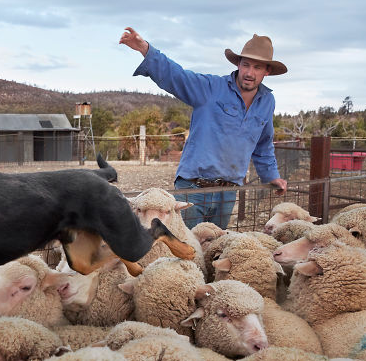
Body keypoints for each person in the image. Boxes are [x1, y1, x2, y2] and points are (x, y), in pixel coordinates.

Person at [119, 27, 288, 230]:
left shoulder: (267, 101)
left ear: (267, 71)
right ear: (238, 64)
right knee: (185, 248)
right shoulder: (210, 88)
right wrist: (145, 49)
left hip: (228, 191)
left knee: (213, 249)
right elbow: (177, 76)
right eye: (246, 65)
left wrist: (272, 176)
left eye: (257, 68)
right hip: (193, 188)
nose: (250, 73)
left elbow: (263, 145)